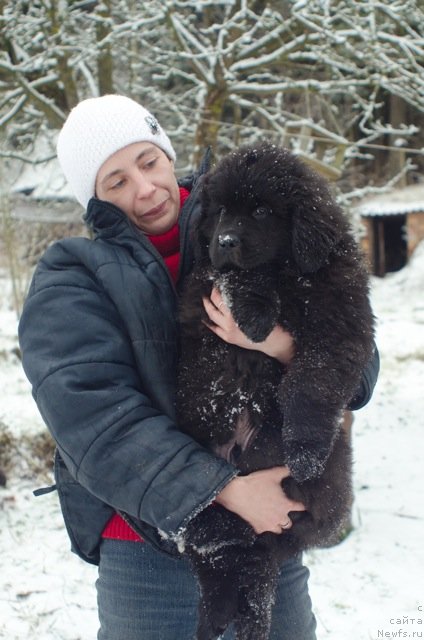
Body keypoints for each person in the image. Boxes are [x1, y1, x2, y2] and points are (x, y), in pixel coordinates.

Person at [18, 95, 379, 640]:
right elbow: (91, 419)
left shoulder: (252, 216)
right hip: (145, 549)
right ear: (91, 198)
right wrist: (223, 491)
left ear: (167, 153)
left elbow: (358, 362)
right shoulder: (72, 276)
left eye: (148, 162)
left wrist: (282, 346)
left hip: (267, 535)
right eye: (114, 182)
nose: (144, 189)